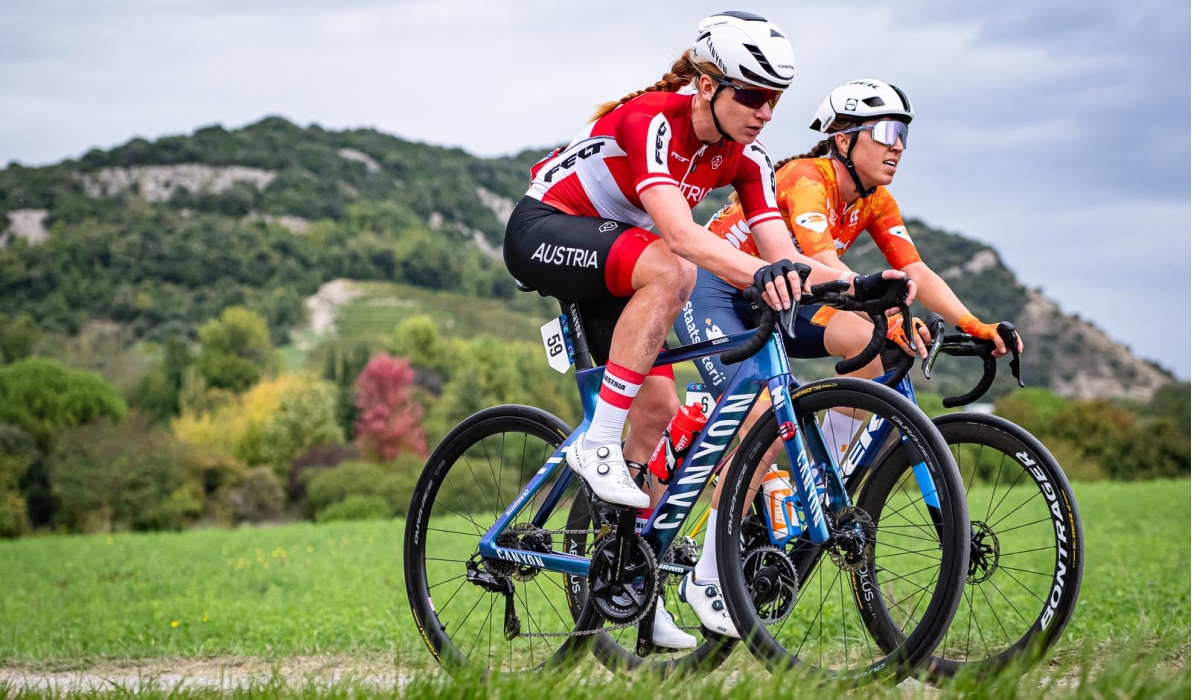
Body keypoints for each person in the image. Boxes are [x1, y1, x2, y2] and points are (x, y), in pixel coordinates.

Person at [504, 17, 911, 646]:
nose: (764, 112)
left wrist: (856, 286)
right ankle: (595, 444)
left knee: (661, 410)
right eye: (750, 94)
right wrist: (762, 274)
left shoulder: (748, 158)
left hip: (620, 262)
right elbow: (684, 238)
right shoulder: (652, 121)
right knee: (676, 269)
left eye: (773, 99)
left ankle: (628, 580)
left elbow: (784, 251)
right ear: (705, 85)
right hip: (546, 230)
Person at [673, 78, 1024, 637]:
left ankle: (811, 476)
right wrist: (877, 303)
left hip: (783, 296)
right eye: (885, 131)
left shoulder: (876, 199)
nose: (898, 145)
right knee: (765, 412)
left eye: (904, 133)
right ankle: (708, 572)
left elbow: (916, 271)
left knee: (867, 352)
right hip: (718, 294)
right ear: (842, 138)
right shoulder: (804, 179)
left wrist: (973, 323)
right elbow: (821, 260)